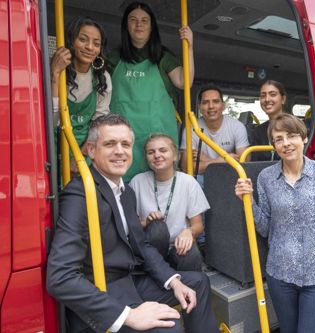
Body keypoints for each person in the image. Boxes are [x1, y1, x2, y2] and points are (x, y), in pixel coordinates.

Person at [46, 114, 218, 333]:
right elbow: (60, 277)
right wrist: (129, 316)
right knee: (170, 328)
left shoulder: (126, 192)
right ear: (91, 150)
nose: (120, 151)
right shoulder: (80, 193)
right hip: (103, 291)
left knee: (198, 283)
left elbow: (142, 246)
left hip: (130, 280)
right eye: (110, 144)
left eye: (125, 144)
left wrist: (173, 281)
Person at [234, 113, 315, 333]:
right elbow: (266, 229)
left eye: (291, 136)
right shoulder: (266, 178)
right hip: (280, 276)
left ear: (303, 138)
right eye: (278, 139)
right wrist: (247, 201)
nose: (286, 143)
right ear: (273, 145)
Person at [108, 1, 195, 181]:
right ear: (126, 26)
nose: (139, 24)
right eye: (133, 19)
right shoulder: (114, 58)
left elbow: (184, 81)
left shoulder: (162, 57)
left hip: (158, 138)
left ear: (151, 27)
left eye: (144, 20)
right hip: (123, 139)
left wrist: (189, 46)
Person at [129, 134, 209, 272]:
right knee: (158, 228)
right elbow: (129, 225)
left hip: (177, 247)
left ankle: (185, 289)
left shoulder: (188, 182)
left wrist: (189, 231)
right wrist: (146, 222)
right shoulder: (137, 182)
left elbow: (198, 225)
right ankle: (152, 280)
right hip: (149, 248)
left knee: (192, 254)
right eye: (151, 152)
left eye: (163, 150)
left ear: (175, 156)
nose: (157, 155)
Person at [50, 16, 112, 170]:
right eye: (83, 40)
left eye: (96, 44)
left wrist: (80, 157)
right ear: (71, 41)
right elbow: (51, 120)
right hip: (52, 146)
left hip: (85, 150)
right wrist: (55, 75)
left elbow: (100, 123)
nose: (90, 47)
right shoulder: (55, 70)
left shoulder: (102, 77)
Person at [180, 84, 250, 176]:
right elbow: (186, 168)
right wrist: (221, 160)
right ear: (200, 107)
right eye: (205, 102)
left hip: (228, 177)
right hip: (201, 180)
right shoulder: (191, 129)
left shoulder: (237, 127)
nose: (211, 106)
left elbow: (243, 165)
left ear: (223, 105)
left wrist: (206, 160)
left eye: (216, 101)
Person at [250, 80, 286, 161]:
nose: (267, 99)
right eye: (263, 96)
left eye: (272, 94)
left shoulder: (295, 126)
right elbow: (254, 164)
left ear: (283, 99)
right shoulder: (258, 132)